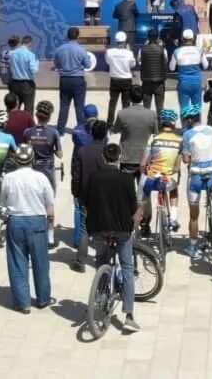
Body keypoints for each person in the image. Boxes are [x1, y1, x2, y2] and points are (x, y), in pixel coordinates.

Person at [81, 142, 144, 333]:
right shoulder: (126, 179)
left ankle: (100, 297)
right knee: (127, 267)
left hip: (99, 228)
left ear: (103, 157)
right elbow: (133, 206)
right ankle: (129, 315)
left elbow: (84, 200)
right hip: (122, 229)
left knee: (101, 262)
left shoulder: (94, 178)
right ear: (119, 157)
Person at [0, 144, 55, 313]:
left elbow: (2, 203)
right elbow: (50, 207)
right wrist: (51, 232)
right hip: (37, 222)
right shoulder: (41, 177)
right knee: (41, 263)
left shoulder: (8, 178)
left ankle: (23, 303)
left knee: (17, 262)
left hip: (16, 222)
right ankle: (43, 299)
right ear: (33, 160)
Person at [179, 104, 212, 260]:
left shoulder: (187, 135)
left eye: (185, 119)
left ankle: (192, 247)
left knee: (194, 216)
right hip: (211, 173)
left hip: (196, 177)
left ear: (190, 120)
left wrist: (194, 156)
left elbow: (185, 159)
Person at [69, 119, 109, 271]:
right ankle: (101, 261)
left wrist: (75, 192)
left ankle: (81, 261)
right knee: (102, 228)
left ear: (91, 133)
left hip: (86, 194)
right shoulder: (108, 150)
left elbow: (76, 175)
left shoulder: (82, 151)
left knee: (84, 228)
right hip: (104, 194)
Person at [113, 87, 158, 182]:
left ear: (129, 97)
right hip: (145, 158)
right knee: (144, 194)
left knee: (126, 193)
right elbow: (155, 133)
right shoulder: (152, 114)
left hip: (127, 158)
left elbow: (114, 130)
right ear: (143, 97)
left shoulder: (122, 113)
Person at [52, 27, 90, 132]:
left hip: (64, 80)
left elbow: (56, 64)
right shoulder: (81, 50)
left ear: (67, 36)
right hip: (78, 80)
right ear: (78, 36)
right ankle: (81, 129)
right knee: (79, 106)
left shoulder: (60, 49)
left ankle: (60, 130)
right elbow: (88, 65)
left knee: (64, 105)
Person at [170, 28, 205, 110]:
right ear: (193, 39)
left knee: (184, 109)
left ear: (182, 39)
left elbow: (171, 68)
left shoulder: (177, 51)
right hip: (197, 82)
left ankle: (185, 123)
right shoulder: (199, 51)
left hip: (183, 84)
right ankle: (197, 123)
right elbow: (206, 65)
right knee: (196, 109)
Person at [106, 31, 136, 123]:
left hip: (115, 79)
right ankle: (125, 122)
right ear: (125, 41)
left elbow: (108, 62)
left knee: (112, 102)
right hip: (126, 80)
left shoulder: (109, 52)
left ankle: (110, 122)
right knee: (126, 103)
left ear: (116, 41)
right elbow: (133, 65)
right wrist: (128, 51)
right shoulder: (129, 53)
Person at [138, 29, 168, 113]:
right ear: (157, 37)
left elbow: (139, 62)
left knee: (146, 108)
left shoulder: (142, 50)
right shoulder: (162, 50)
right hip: (159, 83)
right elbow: (165, 61)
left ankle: (147, 125)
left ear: (148, 37)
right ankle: (160, 125)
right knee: (160, 108)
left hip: (146, 82)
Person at [8, 34, 40, 110]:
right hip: (27, 84)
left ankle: (13, 121)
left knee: (14, 107)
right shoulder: (30, 55)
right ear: (30, 43)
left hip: (14, 83)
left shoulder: (12, 53)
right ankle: (27, 121)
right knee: (28, 107)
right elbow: (34, 70)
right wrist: (37, 63)